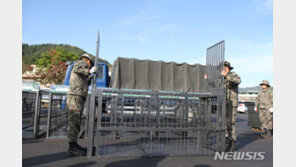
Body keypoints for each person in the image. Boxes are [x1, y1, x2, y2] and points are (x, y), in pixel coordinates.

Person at [204, 61, 241, 152]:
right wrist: (208, 79)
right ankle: (226, 140)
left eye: (222, 67)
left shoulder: (233, 75)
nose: (221, 70)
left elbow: (238, 81)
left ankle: (232, 143)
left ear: (227, 68)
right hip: (223, 103)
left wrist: (227, 76)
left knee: (231, 123)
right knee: (222, 122)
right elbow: (215, 85)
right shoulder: (220, 78)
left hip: (231, 103)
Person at [67, 54, 97, 156]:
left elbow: (83, 83)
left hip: (78, 96)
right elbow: (78, 69)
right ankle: (72, 147)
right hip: (75, 96)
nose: (89, 66)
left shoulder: (82, 72)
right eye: (90, 65)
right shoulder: (80, 63)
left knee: (77, 121)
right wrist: (89, 71)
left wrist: (90, 77)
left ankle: (74, 144)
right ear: (88, 61)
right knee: (74, 121)